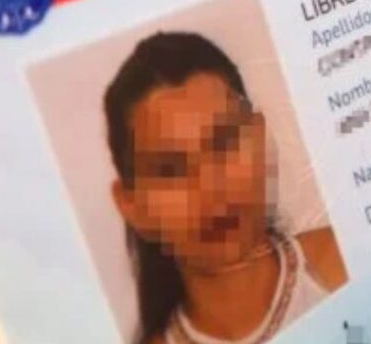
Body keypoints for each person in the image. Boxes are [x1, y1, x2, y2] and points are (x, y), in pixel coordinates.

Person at [105, 32, 346, 344]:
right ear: (132, 206)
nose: (211, 187)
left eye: (224, 143)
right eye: (170, 170)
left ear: (259, 139)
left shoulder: (344, 261)